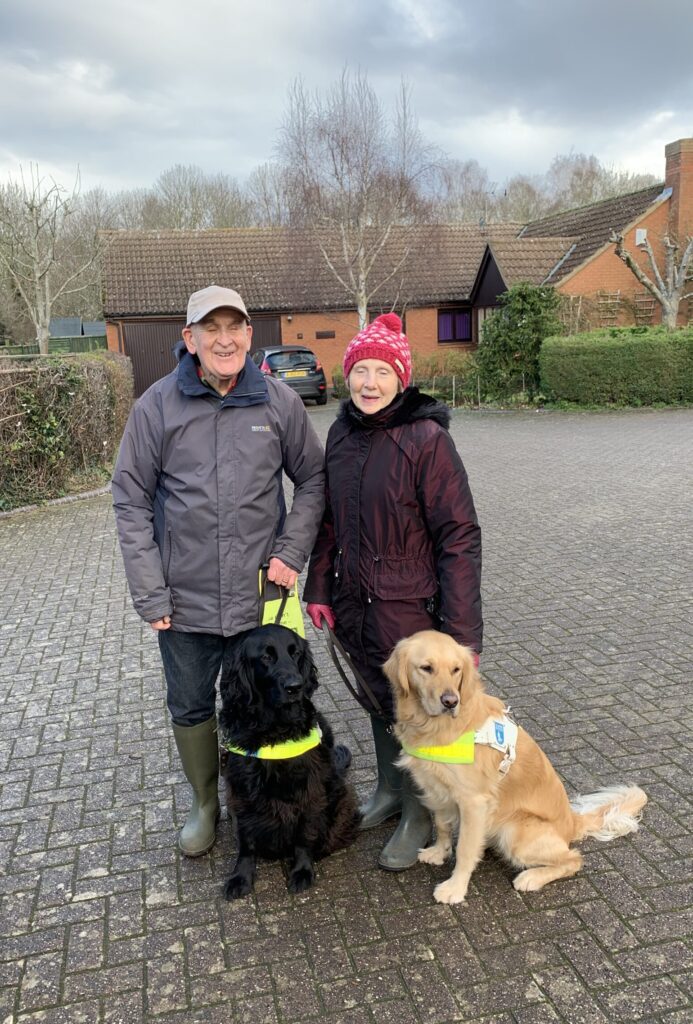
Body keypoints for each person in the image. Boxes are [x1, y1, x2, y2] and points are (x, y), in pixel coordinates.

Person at [112, 285, 325, 857]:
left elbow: (313, 479)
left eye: (235, 327)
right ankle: (206, 803)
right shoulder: (155, 407)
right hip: (184, 600)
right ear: (190, 339)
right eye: (212, 329)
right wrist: (149, 592)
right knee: (190, 704)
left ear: (250, 336)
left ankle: (271, 797)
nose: (224, 339)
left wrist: (291, 550)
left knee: (270, 698)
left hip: (264, 595)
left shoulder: (279, 403)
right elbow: (130, 499)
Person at [304, 313, 482, 871]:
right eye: (361, 370)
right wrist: (319, 588)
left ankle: (419, 811)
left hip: (410, 608)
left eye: (383, 371)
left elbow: (459, 535)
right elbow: (328, 520)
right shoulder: (341, 433)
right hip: (355, 601)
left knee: (417, 711)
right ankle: (388, 788)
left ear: (401, 379)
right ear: (347, 375)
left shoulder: (426, 439)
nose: (370, 383)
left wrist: (463, 634)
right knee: (377, 701)